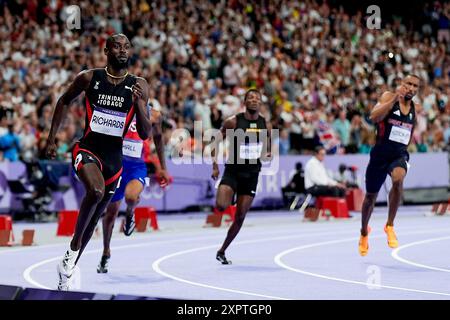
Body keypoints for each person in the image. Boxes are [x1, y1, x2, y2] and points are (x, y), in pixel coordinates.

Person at [45, 34, 152, 290]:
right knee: (95, 190)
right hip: (88, 149)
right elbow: (63, 101)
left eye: (127, 46)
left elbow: (146, 133)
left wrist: (138, 104)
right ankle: (71, 253)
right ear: (106, 50)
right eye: (117, 46)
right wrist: (51, 139)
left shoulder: (139, 85)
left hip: (115, 161)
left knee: (94, 219)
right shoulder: (89, 78)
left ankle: (66, 271)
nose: (123, 50)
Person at [97, 106, 170, 273]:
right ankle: (106, 251)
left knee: (131, 197)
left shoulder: (155, 115)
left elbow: (158, 139)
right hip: (116, 166)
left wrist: (163, 167)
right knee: (111, 213)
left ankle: (130, 213)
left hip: (136, 167)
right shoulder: (118, 108)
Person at [359, 75, 421, 256]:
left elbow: (409, 132)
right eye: (408, 84)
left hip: (398, 155)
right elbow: (373, 117)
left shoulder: (414, 109)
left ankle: (390, 225)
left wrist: (403, 149)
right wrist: (395, 98)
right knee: (370, 197)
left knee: (398, 178)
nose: (411, 88)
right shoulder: (388, 97)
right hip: (379, 155)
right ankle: (364, 232)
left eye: (415, 86)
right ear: (401, 84)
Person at [211, 89, 271, 264]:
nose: (254, 100)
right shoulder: (234, 121)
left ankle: (222, 251)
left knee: (240, 217)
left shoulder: (264, 124)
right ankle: (231, 194)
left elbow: (266, 146)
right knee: (221, 206)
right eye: (250, 98)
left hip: (252, 175)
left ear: (260, 103)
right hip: (233, 171)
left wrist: (267, 153)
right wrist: (215, 165)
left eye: (257, 98)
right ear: (245, 102)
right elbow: (215, 140)